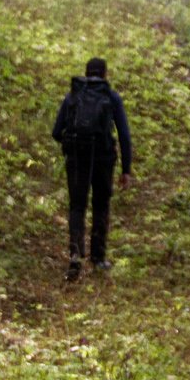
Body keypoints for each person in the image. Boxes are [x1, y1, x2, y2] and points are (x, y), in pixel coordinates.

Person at [50, 57, 134, 278]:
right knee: (101, 204)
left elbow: (57, 131)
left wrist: (74, 143)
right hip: (104, 158)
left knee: (77, 206)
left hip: (77, 158)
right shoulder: (111, 97)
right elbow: (124, 135)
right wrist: (126, 169)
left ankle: (75, 255)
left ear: (86, 73)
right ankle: (98, 258)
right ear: (105, 74)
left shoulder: (73, 96)